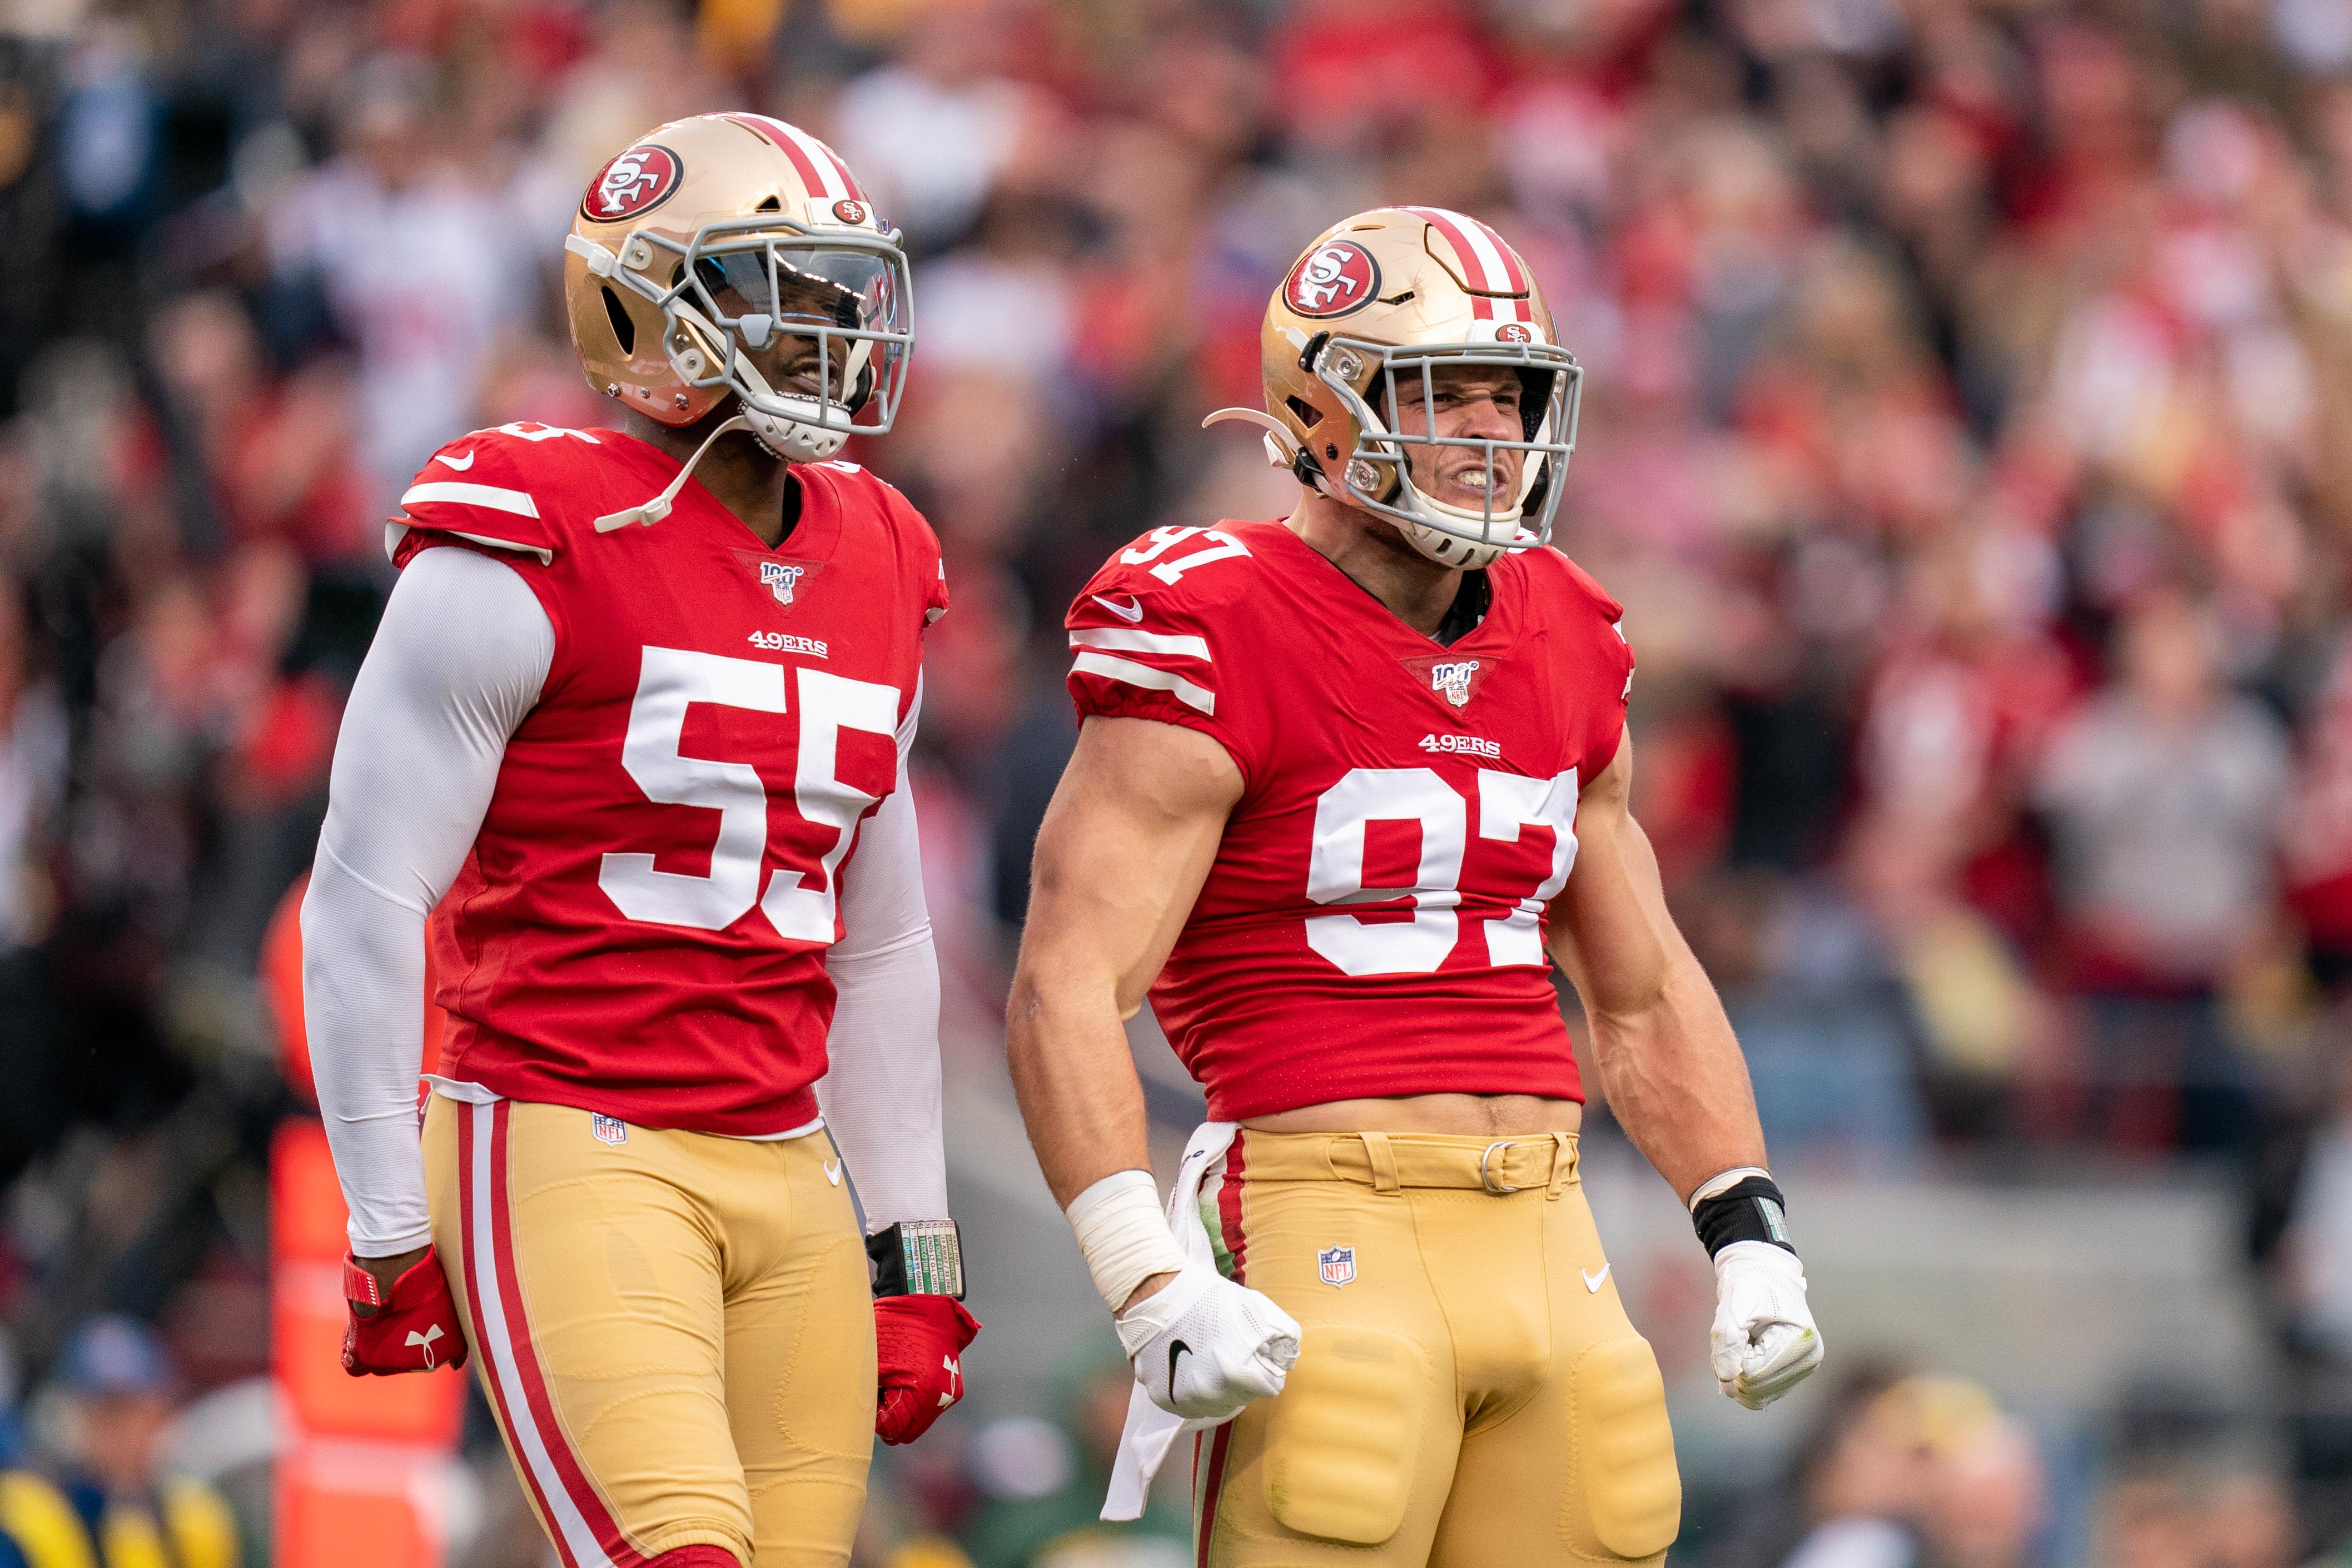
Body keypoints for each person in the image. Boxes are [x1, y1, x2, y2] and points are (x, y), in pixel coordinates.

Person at [1003, 207, 1826, 1565]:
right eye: (1448, 397)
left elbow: (1641, 981)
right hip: (1323, 1208)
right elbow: (1066, 984)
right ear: (1321, 406)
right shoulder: (1212, 612)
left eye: (1512, 398)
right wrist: (1142, 1276)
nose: (1492, 437)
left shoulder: (1562, 623)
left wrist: (1744, 1220)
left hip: (1549, 1220)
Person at [301, 113, 976, 1568]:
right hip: (567, 1134)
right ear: (644, 309)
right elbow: (364, 884)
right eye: (772, 287)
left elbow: (881, 936)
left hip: (788, 1163)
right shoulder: (530, 526)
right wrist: (380, 1217)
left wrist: (910, 1245)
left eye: (838, 286)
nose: (828, 327)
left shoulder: (882, 551)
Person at [46, 1316, 238, 1568]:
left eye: (134, 1412)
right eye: (105, 1415)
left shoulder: (197, 1516)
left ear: (162, 1414)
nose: (121, 1434)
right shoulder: (42, 1513)